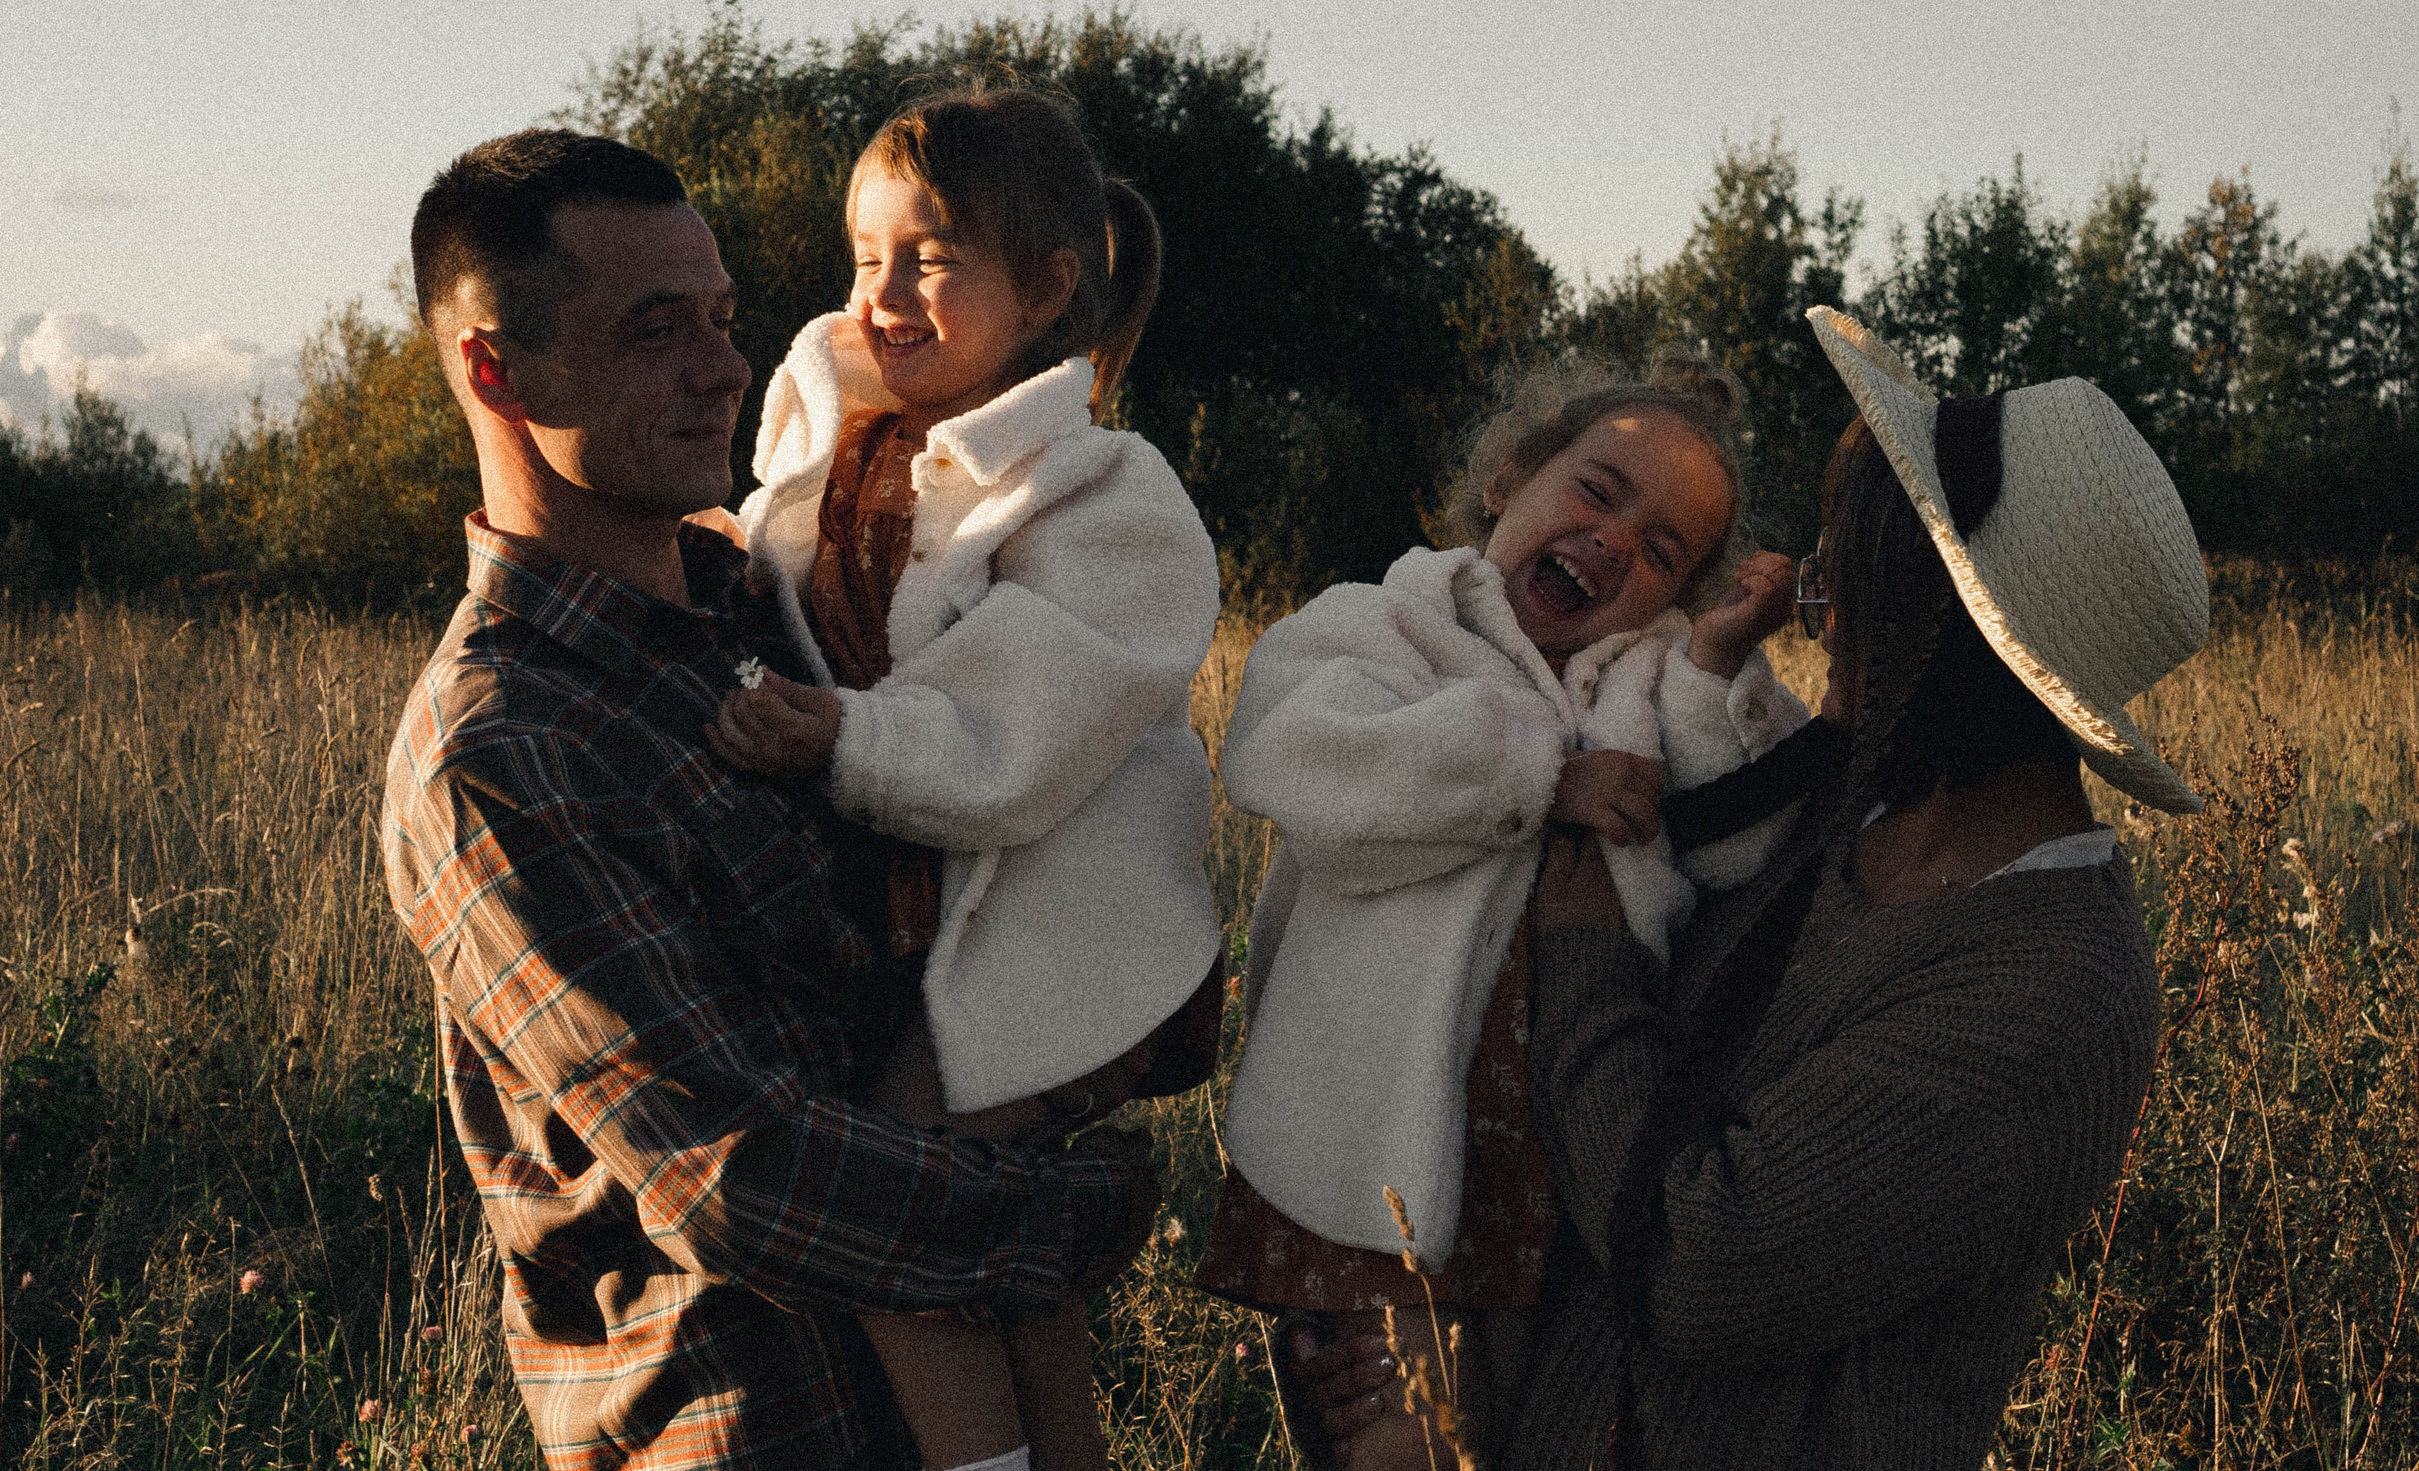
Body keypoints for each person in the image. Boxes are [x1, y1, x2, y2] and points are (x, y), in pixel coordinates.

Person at [1296, 305, 2205, 1468]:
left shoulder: (2050, 991)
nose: (1822, 623)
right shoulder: (1844, 807)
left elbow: (1698, 1265)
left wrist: (1582, 932)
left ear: (1955, 636)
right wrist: (1398, 1340)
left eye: (1855, 581)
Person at [381, 129, 1158, 1471]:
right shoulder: (505, 750)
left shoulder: (772, 603)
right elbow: (739, 1176)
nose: (727, 365)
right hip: (754, 1428)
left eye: (726, 316)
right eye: (654, 328)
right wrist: (1090, 1201)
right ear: (495, 369)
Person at [707, 86, 1224, 1471]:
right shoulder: (828, 446)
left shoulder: (1107, 490)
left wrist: (846, 737)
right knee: (1004, 1232)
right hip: (938, 924)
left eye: (928, 259)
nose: (882, 292)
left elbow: (1028, 720)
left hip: (1067, 934)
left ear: (1047, 287)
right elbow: (770, 582)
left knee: (893, 1193)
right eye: (865, 254)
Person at [1195, 354, 1809, 1465]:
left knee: (1496, 1434)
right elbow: (1294, 757)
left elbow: (1753, 843)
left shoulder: (1654, 687)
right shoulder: (1385, 626)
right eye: (1596, 490)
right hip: (1362, 1142)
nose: (1614, 540)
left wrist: (1722, 668)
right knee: (1390, 1438)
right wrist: (1537, 778)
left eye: (1662, 548)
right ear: (1506, 481)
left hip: (1548, 1169)